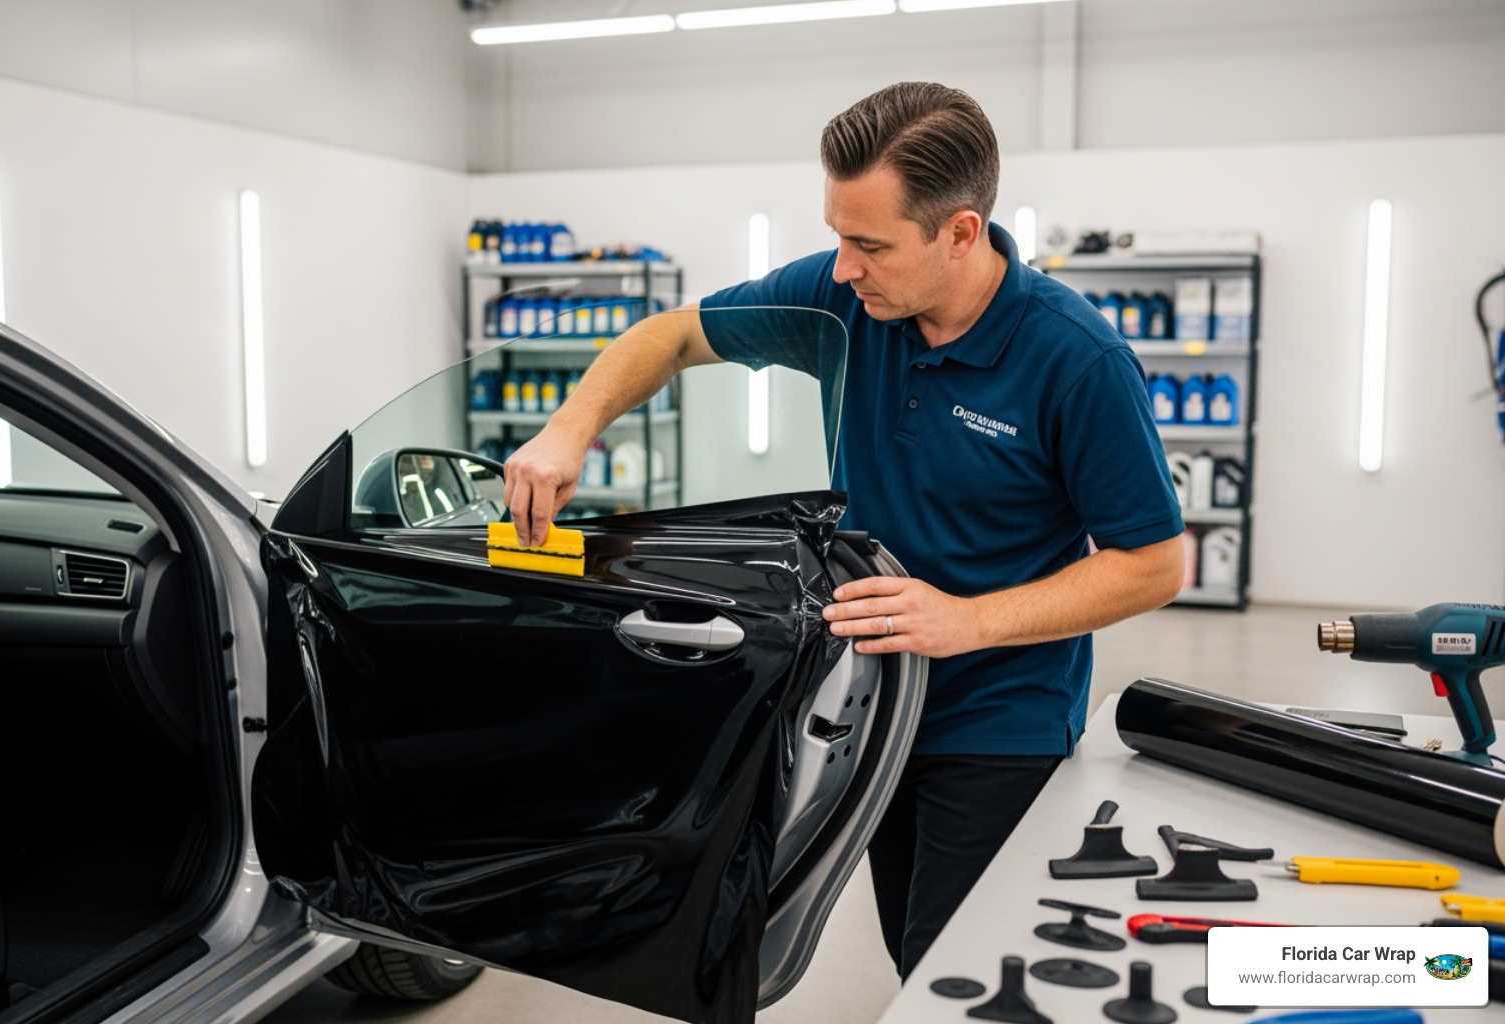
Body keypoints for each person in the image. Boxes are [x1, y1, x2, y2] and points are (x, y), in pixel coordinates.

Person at [503, 82, 1185, 980]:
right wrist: (569, 427)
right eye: (836, 235)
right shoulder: (842, 303)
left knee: (963, 972)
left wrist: (968, 620)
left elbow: (1154, 564)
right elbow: (669, 335)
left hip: (996, 716)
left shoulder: (1077, 360)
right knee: (915, 952)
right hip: (865, 702)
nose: (843, 267)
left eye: (869, 244)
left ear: (960, 232)